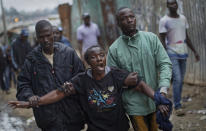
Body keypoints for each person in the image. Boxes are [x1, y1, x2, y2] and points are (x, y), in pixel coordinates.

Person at [9, 45, 171, 131]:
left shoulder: (115, 74)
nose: (99, 59)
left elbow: (140, 85)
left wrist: (158, 99)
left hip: (119, 127)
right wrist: (30, 103)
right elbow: (58, 94)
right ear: (87, 62)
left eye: (101, 55)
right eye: (93, 57)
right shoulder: (82, 80)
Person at [107, 7, 172, 131]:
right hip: (133, 104)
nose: (130, 20)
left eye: (132, 17)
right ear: (118, 23)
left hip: (154, 99)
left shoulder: (151, 39)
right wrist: (125, 82)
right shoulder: (114, 49)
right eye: (124, 19)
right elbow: (112, 79)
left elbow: (165, 64)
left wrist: (162, 92)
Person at [15, 20, 85, 131]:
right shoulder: (31, 60)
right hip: (48, 119)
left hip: (73, 115)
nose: (45, 40)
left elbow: (82, 77)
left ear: (53, 33)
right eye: (41, 37)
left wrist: (72, 86)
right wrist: (29, 96)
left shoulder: (69, 53)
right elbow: (23, 84)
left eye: (48, 35)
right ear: (36, 38)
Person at [159, 0, 200, 116]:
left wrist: (195, 51)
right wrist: (164, 54)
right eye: (170, 4)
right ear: (167, 6)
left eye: (174, 3)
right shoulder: (164, 21)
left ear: (177, 5)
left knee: (180, 79)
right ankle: (177, 106)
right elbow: (161, 38)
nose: (173, 5)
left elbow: (186, 35)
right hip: (171, 53)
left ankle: (178, 100)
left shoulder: (183, 19)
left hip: (183, 52)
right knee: (177, 79)